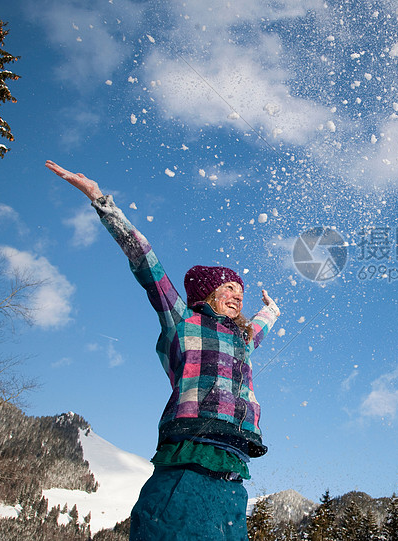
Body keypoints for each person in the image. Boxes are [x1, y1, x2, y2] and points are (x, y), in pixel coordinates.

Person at [46, 160, 281, 540]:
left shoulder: (242, 338)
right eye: (229, 290)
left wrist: (271, 310)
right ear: (208, 294)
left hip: (234, 461)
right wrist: (100, 201)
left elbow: (262, 324)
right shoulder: (183, 321)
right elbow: (147, 264)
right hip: (188, 451)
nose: (237, 296)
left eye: (241, 292)